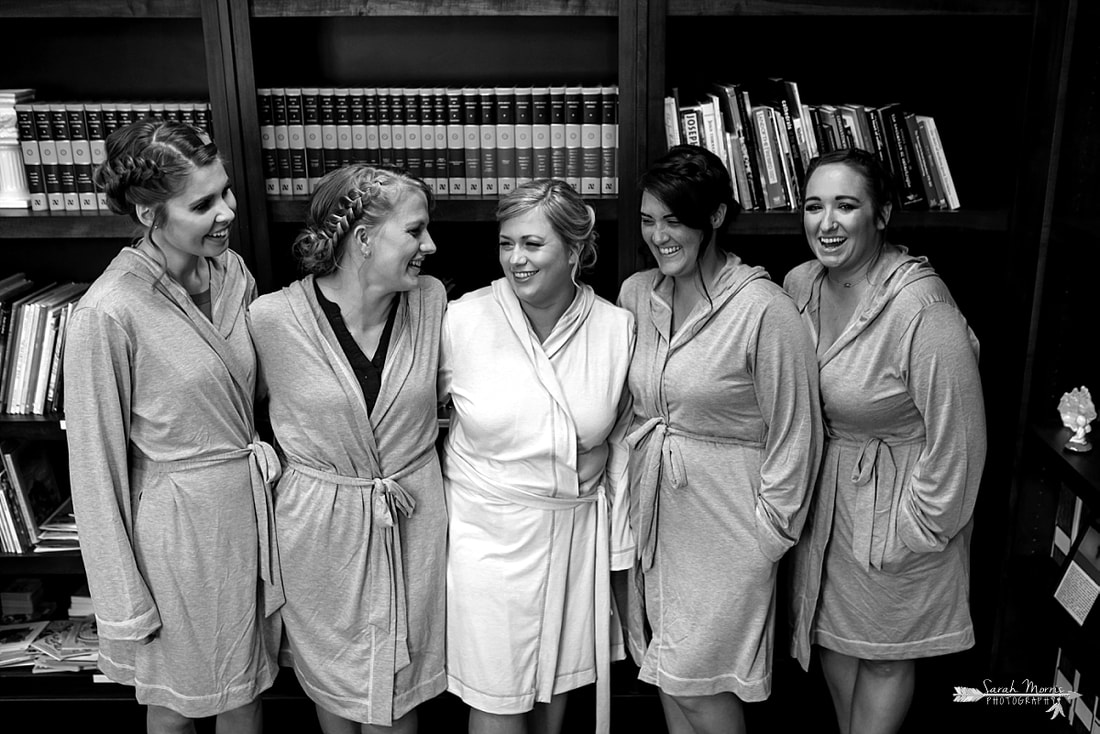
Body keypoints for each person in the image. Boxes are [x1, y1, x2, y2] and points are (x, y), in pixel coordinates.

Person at [63, 118, 283, 734]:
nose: (228, 213)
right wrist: (123, 603)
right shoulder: (108, 312)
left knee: (246, 691)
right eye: (203, 204)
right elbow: (94, 468)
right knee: (175, 703)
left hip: (248, 510)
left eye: (226, 193)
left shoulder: (233, 273)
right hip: (174, 533)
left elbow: (255, 392)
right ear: (147, 214)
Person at [617, 144, 822, 734]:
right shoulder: (637, 293)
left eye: (674, 220)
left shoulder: (764, 309)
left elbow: (797, 431)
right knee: (669, 677)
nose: (659, 236)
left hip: (731, 528)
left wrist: (770, 532)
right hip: (657, 516)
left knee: (700, 686)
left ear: (714, 218)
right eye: (649, 220)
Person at [785, 148, 987, 734]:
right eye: (814, 205)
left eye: (846, 206)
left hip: (900, 504)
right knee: (836, 641)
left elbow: (962, 440)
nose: (827, 222)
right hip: (830, 505)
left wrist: (919, 528)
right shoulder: (801, 284)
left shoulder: (923, 309)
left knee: (883, 657)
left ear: (882, 214)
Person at [248, 164, 445, 733]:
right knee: (336, 705)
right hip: (319, 535)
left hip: (410, 525)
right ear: (363, 239)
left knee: (399, 704)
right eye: (415, 231)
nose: (429, 246)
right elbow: (227, 407)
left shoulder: (430, 303)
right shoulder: (272, 319)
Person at [440, 178, 635, 734]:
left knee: (555, 709)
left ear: (575, 251)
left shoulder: (615, 329)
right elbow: (415, 417)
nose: (515, 260)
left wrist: (619, 549)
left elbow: (621, 444)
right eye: (506, 244)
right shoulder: (463, 320)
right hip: (486, 538)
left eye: (532, 244)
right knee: (496, 706)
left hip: (574, 537)